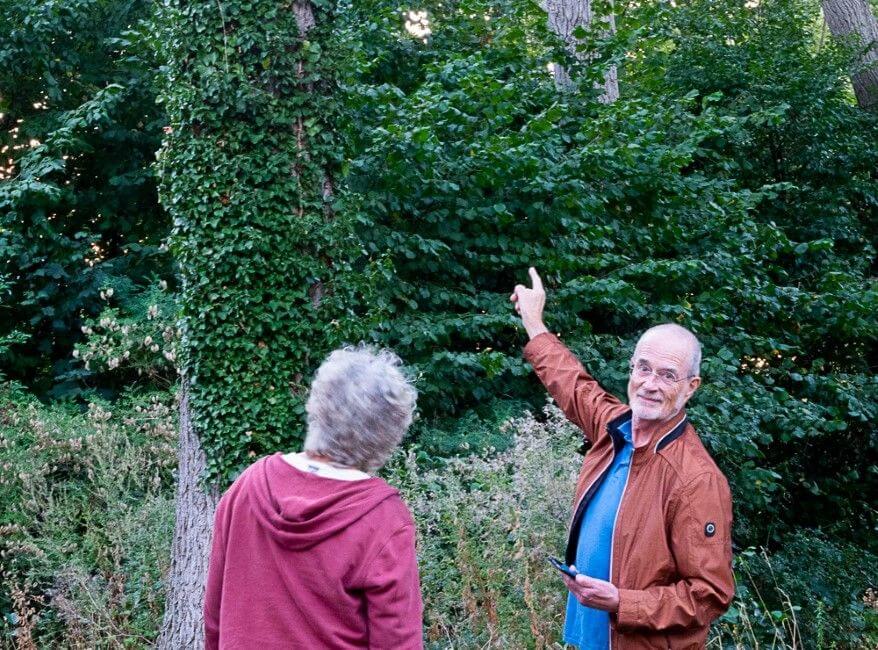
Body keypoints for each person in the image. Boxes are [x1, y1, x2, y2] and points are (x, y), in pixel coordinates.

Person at [511, 268, 734, 649]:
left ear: (690, 387)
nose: (649, 384)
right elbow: (572, 384)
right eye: (643, 368)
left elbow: (709, 594)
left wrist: (622, 602)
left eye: (667, 375)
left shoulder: (694, 479)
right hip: (589, 638)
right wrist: (534, 321)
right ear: (631, 368)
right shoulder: (615, 429)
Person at [204, 345, 423, 649]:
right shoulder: (382, 518)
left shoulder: (248, 486)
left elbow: (214, 619)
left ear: (317, 405)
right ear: (388, 432)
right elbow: (397, 642)